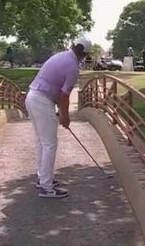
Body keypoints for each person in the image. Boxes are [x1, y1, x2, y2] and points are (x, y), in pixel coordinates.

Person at [25, 37, 91, 199]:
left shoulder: (61, 55)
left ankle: (43, 179)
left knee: (42, 142)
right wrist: (65, 117)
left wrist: (62, 114)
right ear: (83, 54)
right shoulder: (73, 67)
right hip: (42, 100)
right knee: (49, 144)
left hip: (32, 97)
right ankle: (47, 187)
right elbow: (64, 96)